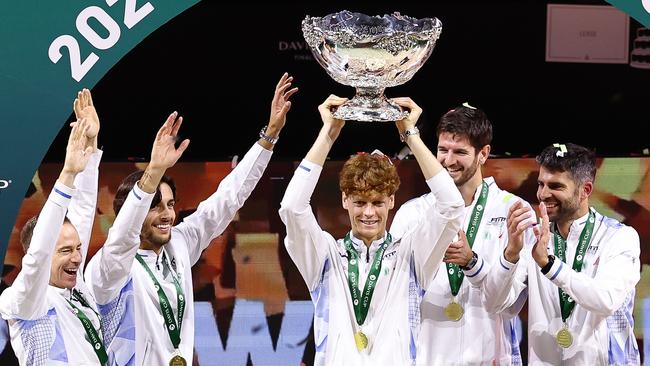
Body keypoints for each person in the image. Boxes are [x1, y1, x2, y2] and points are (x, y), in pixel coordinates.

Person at [85, 73, 297, 365]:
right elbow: (121, 239)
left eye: (171, 205)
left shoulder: (179, 245)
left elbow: (227, 199)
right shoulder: (109, 268)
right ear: (130, 214)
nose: (167, 215)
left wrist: (269, 135)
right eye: (155, 206)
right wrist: (153, 172)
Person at [279, 95, 464, 365]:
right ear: (345, 200)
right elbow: (291, 208)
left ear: (391, 201)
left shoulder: (412, 253)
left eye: (377, 202)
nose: (368, 213)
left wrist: (411, 136)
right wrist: (328, 134)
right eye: (360, 202)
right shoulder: (325, 255)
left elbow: (451, 205)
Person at [390, 103, 536, 366]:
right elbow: (396, 297)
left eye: (460, 152)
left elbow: (508, 303)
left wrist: (473, 262)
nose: (448, 160)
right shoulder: (411, 214)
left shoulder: (514, 211)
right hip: (427, 358)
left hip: (489, 358)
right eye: (442, 150)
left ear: (484, 154)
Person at [485, 143, 641, 364]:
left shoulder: (618, 237)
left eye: (556, 186)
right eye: (541, 184)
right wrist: (510, 255)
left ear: (585, 190)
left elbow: (606, 300)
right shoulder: (533, 237)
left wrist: (550, 266)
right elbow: (496, 304)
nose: (543, 194)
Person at [0, 113, 103, 365]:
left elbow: (84, 211)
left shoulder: (76, 289)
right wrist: (67, 174)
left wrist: (90, 148)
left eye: (78, 248)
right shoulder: (23, 301)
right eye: (66, 250)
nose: (78, 258)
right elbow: (39, 255)